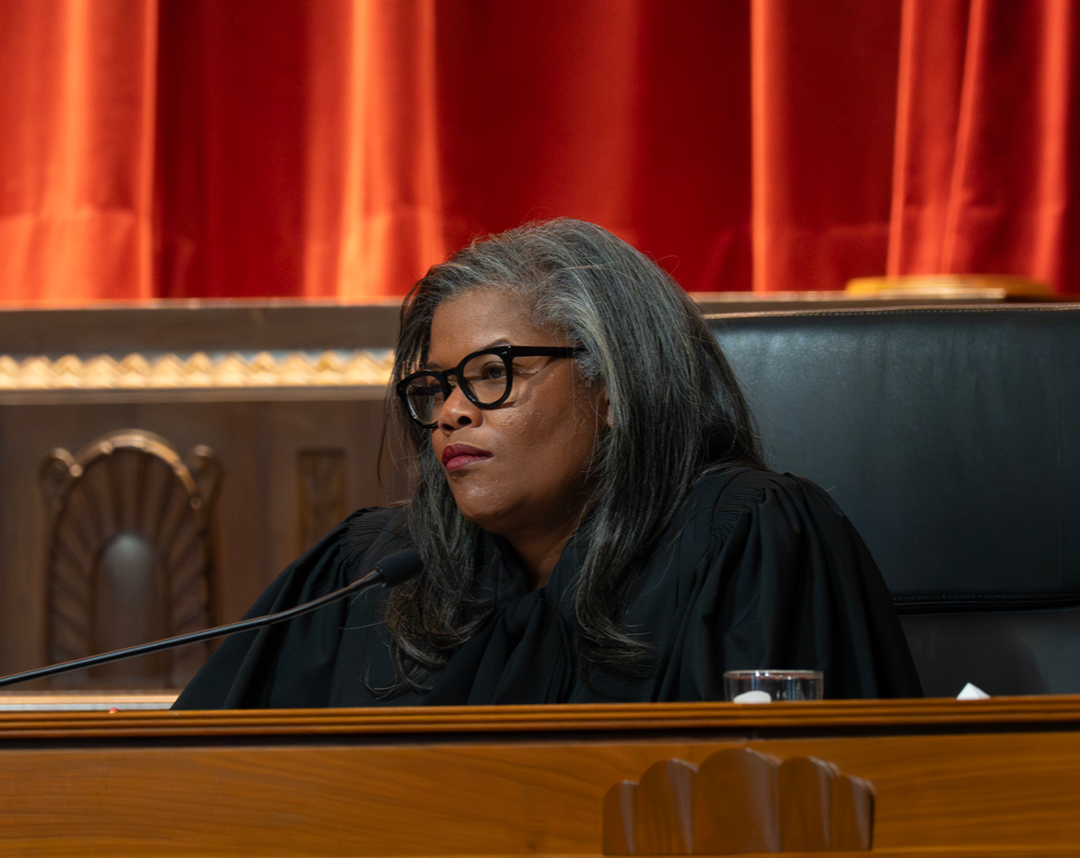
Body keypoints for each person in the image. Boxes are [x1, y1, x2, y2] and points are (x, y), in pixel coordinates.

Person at [174, 219, 920, 709]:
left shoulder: (742, 544)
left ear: (613, 387)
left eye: (493, 373)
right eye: (433, 388)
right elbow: (188, 788)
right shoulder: (370, 574)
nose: (452, 413)